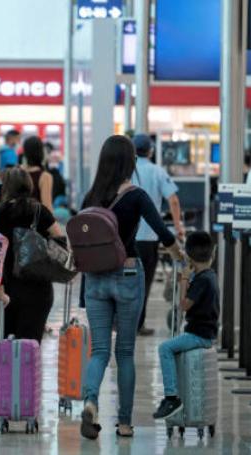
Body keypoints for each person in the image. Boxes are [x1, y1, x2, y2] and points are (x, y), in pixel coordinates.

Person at [79, 135, 182, 440]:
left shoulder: (91, 196)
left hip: (95, 279)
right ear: (131, 162)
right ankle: (124, 423)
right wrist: (179, 255)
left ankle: (90, 401)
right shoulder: (136, 195)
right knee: (125, 352)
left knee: (98, 351)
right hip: (126, 275)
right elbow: (163, 232)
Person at [0, 168, 63, 343]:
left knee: (7, 347)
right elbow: (60, 239)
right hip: (38, 288)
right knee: (30, 349)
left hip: (5, 288)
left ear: (6, 187)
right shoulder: (39, 211)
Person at [153, 232, 219, 420]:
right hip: (206, 333)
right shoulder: (210, 276)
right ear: (211, 255)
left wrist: (183, 278)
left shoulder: (202, 280)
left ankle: (171, 397)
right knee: (171, 347)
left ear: (189, 258)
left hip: (199, 335)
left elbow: (183, 305)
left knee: (165, 348)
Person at [131, 133, 185, 336]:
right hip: (149, 238)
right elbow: (173, 200)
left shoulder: (127, 171)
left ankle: (123, 322)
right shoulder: (157, 171)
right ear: (151, 151)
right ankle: (138, 324)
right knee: (144, 282)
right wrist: (178, 226)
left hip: (127, 237)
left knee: (126, 280)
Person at [21, 136, 54, 213]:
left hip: (15, 221)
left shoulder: (16, 172)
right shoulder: (45, 176)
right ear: (41, 153)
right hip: (34, 222)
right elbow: (47, 207)